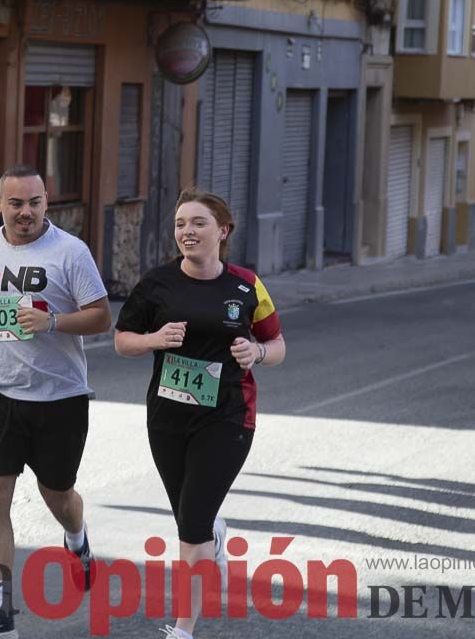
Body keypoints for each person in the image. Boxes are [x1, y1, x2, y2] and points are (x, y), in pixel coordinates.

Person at [113, 188, 286, 639]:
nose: (187, 232)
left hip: (228, 416)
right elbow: (122, 340)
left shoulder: (247, 285)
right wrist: (154, 339)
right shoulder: (156, 284)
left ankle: (183, 629)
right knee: (190, 518)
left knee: (191, 527)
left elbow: (278, 346)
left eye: (198, 223)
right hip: (167, 417)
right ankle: (213, 530)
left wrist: (257, 351)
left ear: (222, 231)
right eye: (180, 224)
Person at [0, 166, 113, 639]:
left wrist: (53, 323)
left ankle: (77, 540)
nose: (26, 213)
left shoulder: (70, 252)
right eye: (16, 203)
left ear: (47, 203)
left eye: (35, 203)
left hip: (59, 397)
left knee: (57, 494)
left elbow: (101, 316)